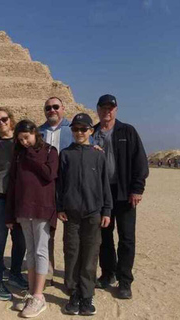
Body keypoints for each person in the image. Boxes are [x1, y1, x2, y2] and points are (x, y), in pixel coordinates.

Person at [93, 94, 149, 299]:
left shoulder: (127, 131)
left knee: (126, 238)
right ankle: (108, 273)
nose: (107, 111)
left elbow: (140, 161)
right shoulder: (92, 132)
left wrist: (137, 189)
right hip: (101, 193)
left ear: (116, 110)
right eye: (104, 108)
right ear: (98, 109)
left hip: (124, 193)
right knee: (104, 237)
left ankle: (125, 281)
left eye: (111, 108)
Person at [57, 113, 112, 316]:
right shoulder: (65, 154)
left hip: (92, 213)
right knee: (71, 253)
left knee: (90, 255)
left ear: (91, 131)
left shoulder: (98, 155)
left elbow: (104, 185)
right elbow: (60, 185)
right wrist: (60, 207)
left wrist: (106, 210)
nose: (79, 132)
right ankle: (73, 292)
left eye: (83, 129)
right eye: (75, 129)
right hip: (71, 213)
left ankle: (87, 295)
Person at [6, 120, 58, 318]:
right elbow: (13, 184)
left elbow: (49, 174)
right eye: (20, 140)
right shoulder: (18, 155)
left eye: (26, 138)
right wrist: (10, 214)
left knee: (40, 250)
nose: (24, 142)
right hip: (23, 208)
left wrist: (32, 155)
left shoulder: (50, 151)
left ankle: (39, 296)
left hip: (43, 209)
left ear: (35, 133)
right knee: (31, 251)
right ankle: (31, 292)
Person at [0, 107, 28, 301]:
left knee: (21, 239)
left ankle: (15, 273)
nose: (1, 123)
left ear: (11, 119)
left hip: (20, 197)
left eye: (4, 119)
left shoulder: (23, 140)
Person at [38, 96, 73, 287]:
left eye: (56, 107)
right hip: (46, 188)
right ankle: (47, 274)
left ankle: (71, 277)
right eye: (48, 107)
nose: (52, 110)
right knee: (46, 234)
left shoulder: (74, 129)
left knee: (71, 235)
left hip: (69, 188)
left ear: (63, 108)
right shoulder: (38, 132)